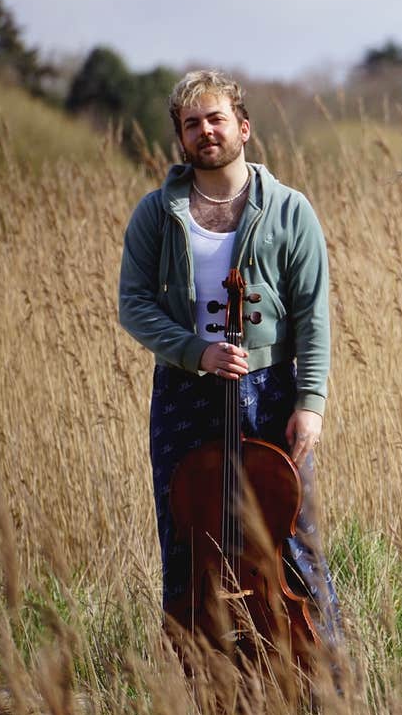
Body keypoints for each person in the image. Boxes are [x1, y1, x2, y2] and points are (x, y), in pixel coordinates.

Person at [118, 71, 342, 651]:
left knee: (293, 536)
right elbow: (134, 306)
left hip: (268, 388)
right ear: (181, 138)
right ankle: (204, 680)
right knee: (188, 536)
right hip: (184, 390)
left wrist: (310, 403)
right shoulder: (156, 213)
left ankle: (325, 680)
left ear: (242, 127)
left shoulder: (290, 209)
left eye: (215, 119)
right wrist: (196, 351)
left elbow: (313, 315)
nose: (205, 131)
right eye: (192, 124)